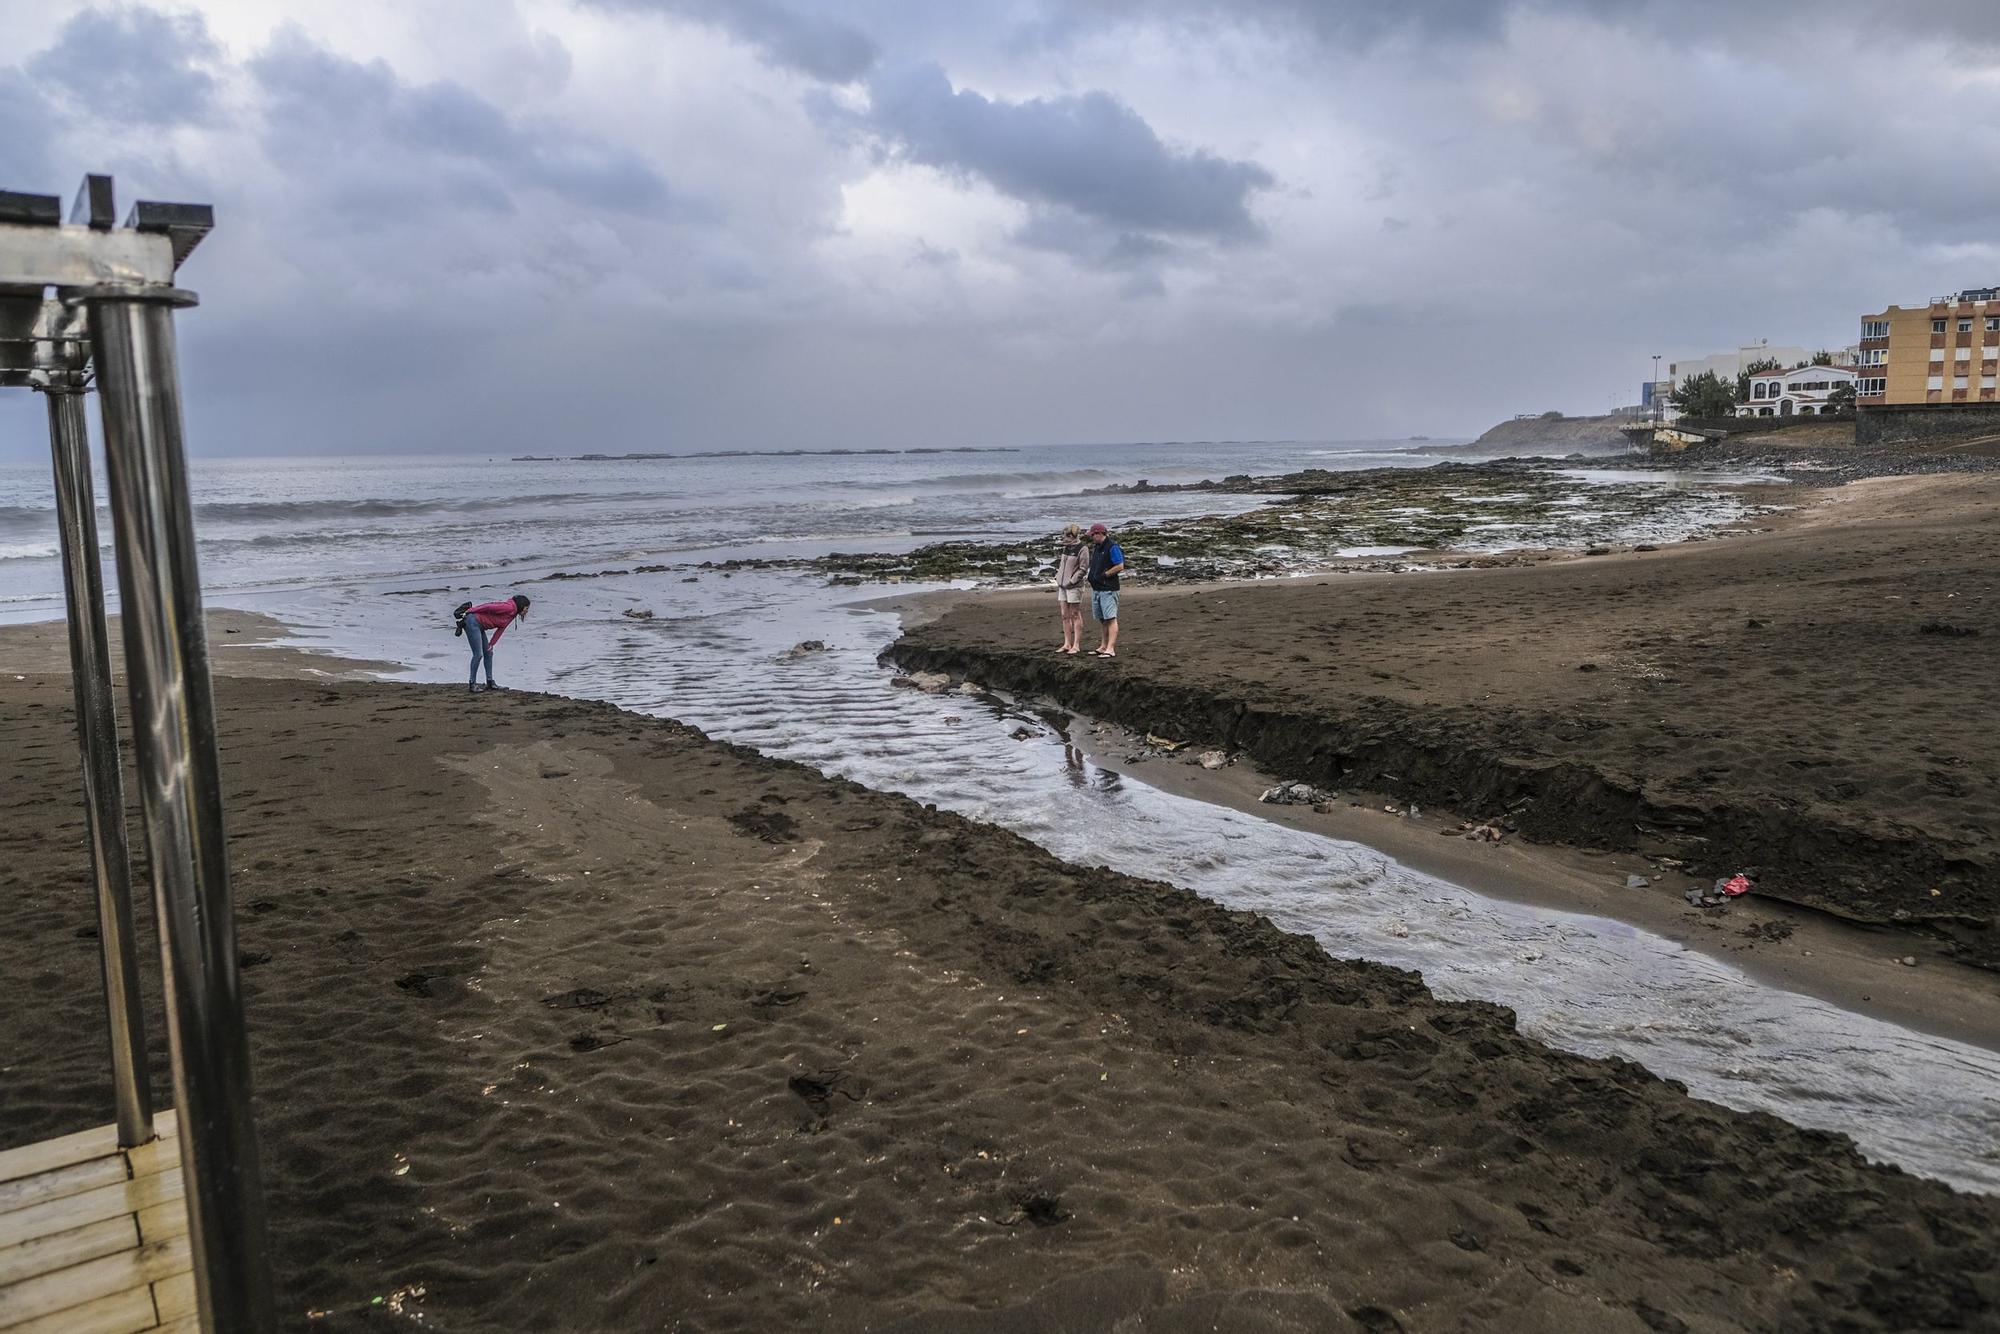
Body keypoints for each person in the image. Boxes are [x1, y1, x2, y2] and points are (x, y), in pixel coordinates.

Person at [454, 594, 530, 693]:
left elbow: (501, 629)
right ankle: (472, 684)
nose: (527, 611)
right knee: (478, 654)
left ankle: (490, 682)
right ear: (522, 605)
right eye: (527, 608)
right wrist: (471, 610)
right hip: (472, 622)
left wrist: (491, 644)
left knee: (489, 652)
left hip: (479, 625)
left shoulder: (513, 614)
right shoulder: (508, 607)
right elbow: (488, 606)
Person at [1085, 522, 1124, 657]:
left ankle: (1110, 648)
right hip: (1097, 588)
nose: (1092, 537)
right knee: (1103, 619)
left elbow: (1119, 565)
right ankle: (1103, 646)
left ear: (1100, 533)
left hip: (1108, 588)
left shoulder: (1112, 547)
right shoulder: (1097, 547)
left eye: (1093, 535)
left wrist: (1105, 575)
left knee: (1111, 618)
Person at [1053, 523, 1090, 654]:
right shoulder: (1066, 548)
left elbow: (1083, 568)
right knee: (1064, 615)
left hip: (1074, 586)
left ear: (1072, 536)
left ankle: (1076, 645)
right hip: (1062, 585)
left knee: (1075, 614)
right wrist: (1058, 577)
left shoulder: (1082, 548)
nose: (1064, 539)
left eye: (1066, 536)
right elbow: (1062, 565)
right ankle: (1067, 643)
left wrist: (1072, 580)